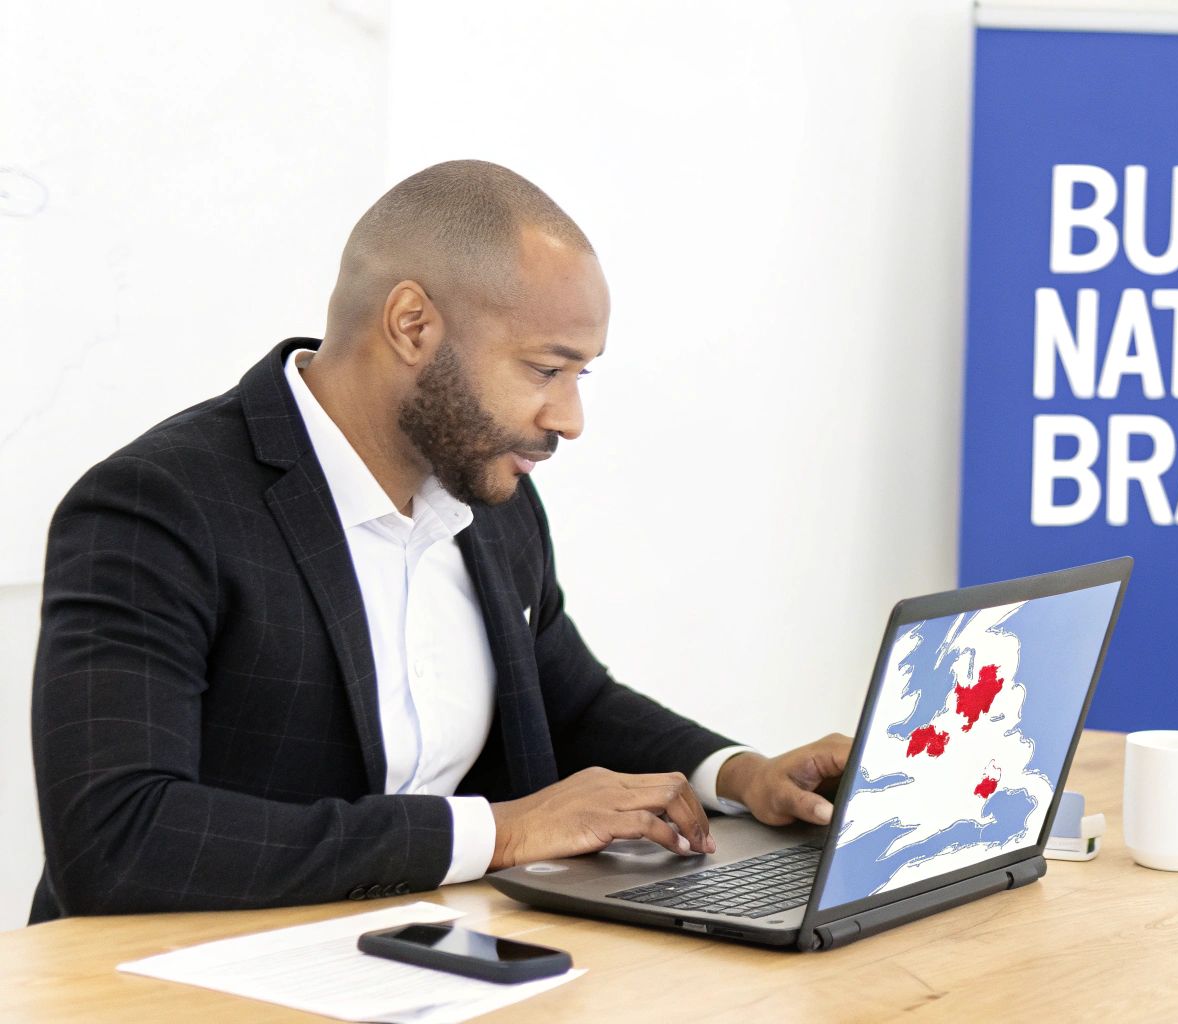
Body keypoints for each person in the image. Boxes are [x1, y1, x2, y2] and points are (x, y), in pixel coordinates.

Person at [29, 160, 852, 923]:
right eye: (544, 370)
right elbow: (118, 839)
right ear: (413, 324)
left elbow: (573, 702)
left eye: (580, 377)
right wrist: (498, 833)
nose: (569, 419)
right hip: (176, 981)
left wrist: (744, 776)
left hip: (411, 962)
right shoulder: (156, 508)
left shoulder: (487, 492)